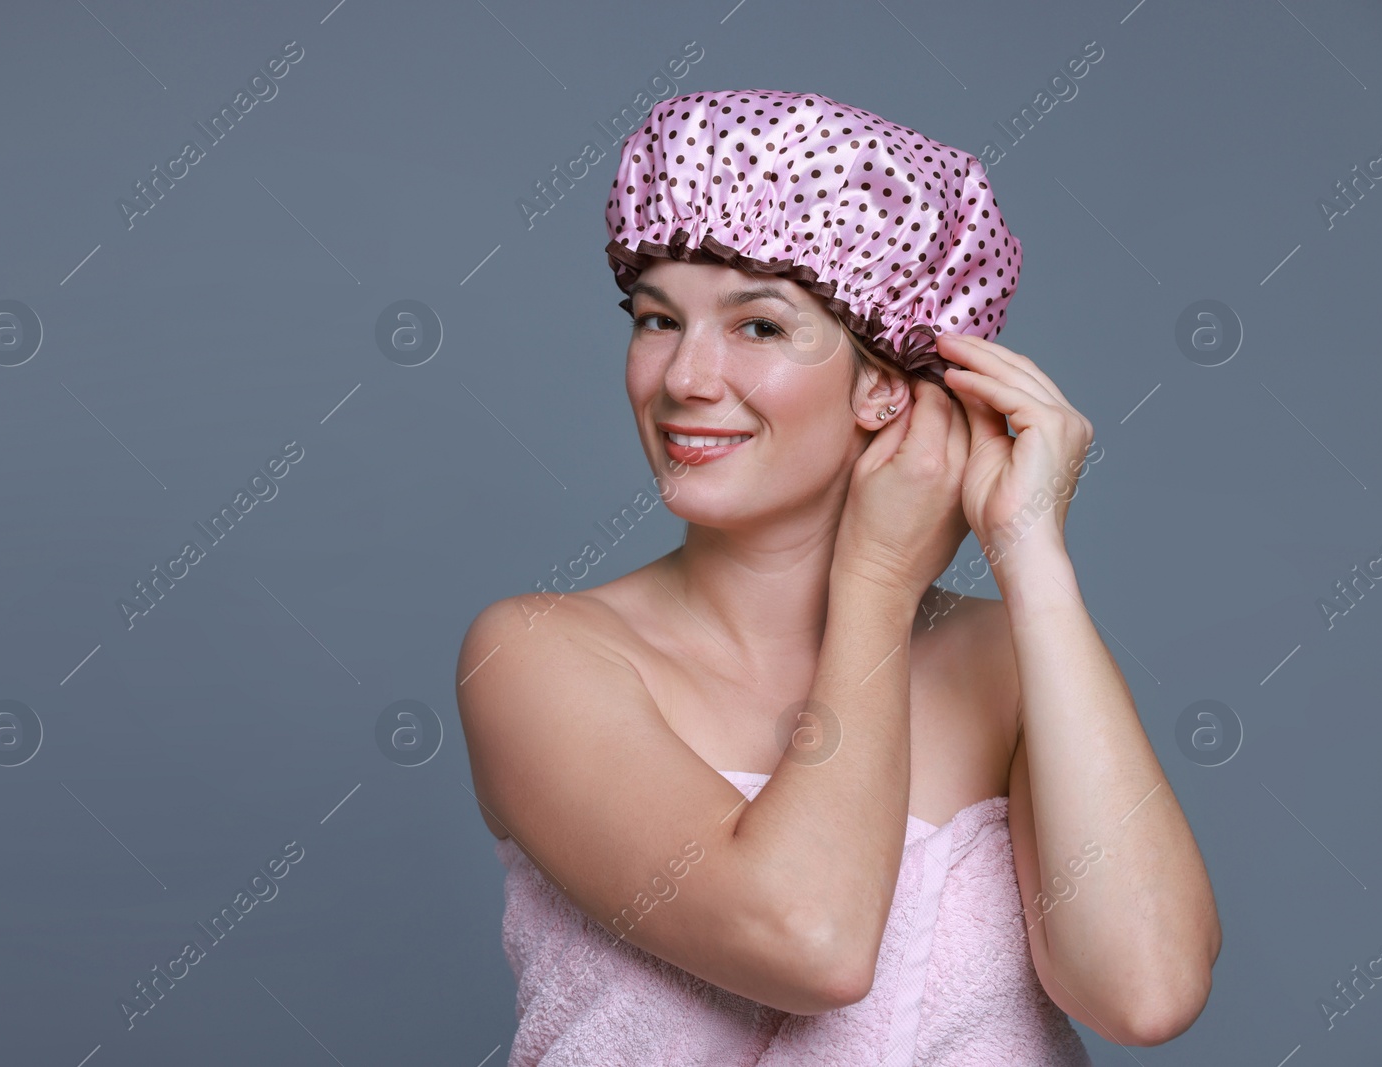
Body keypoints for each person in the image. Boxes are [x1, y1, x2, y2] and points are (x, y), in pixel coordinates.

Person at [456, 89, 1219, 1065]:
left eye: (759, 327)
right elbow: (806, 937)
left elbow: (1145, 989)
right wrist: (876, 580)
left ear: (885, 380)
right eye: (654, 319)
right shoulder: (539, 656)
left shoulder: (1006, 661)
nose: (682, 376)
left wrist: (1031, 556)